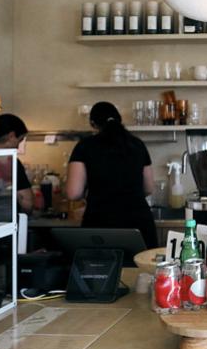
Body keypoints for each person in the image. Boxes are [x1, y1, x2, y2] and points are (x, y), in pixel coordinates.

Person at [66, 102, 157, 247]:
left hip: (101, 223)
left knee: (104, 268)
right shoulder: (137, 144)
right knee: (140, 269)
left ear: (93, 123)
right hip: (139, 223)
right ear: (119, 120)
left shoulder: (85, 146)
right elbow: (149, 188)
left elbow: (73, 193)